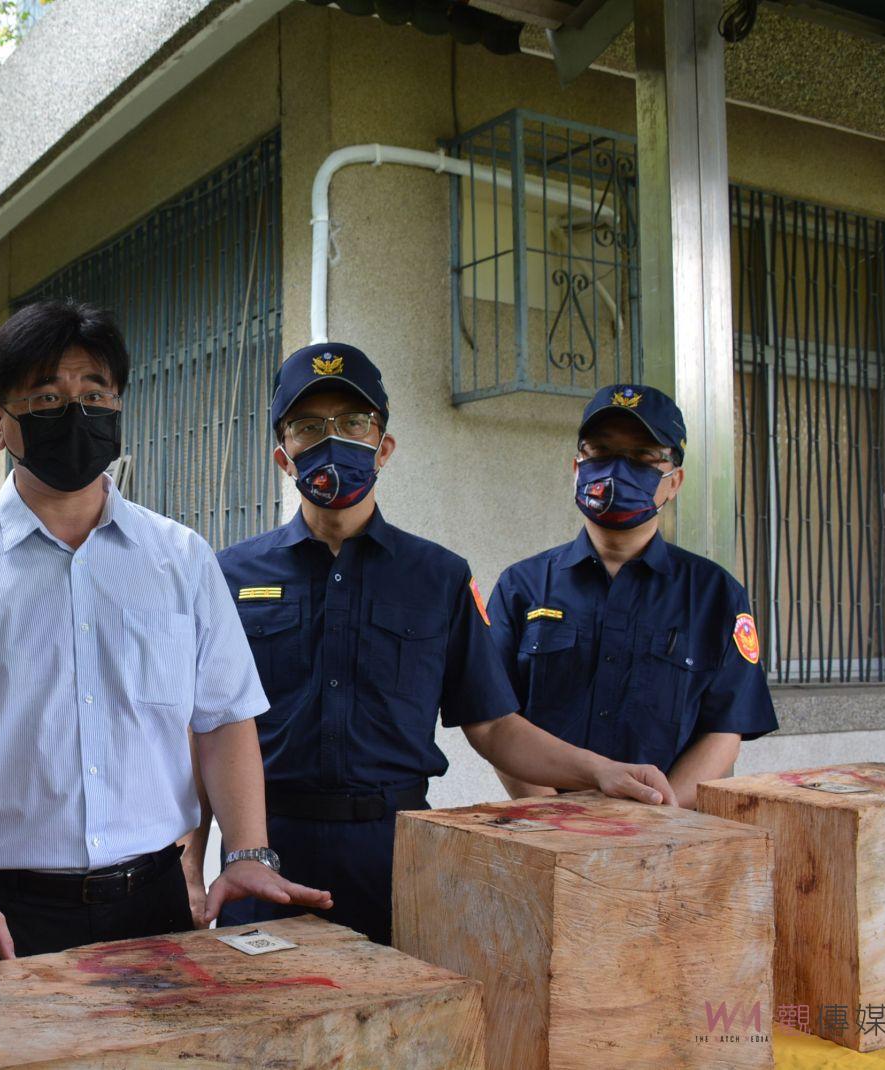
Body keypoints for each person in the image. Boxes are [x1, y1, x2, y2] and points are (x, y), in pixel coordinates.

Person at [0, 301, 331, 972]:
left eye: (94, 395)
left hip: (152, 901)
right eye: (48, 399)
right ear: (1, 422)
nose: (76, 413)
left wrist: (247, 851)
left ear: (117, 407)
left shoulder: (181, 558)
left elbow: (223, 718)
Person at [214, 342, 679, 944]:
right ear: (284, 456)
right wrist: (188, 864)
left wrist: (599, 771)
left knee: (408, 1025)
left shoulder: (438, 576)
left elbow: (493, 726)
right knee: (260, 1024)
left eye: (355, 422)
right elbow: (203, 731)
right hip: (265, 853)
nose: (334, 438)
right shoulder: (230, 575)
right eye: (308, 426)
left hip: (398, 853)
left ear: (384, 446)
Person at [487, 384, 778, 810]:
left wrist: (657, 820)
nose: (616, 471)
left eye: (642, 457)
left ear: (673, 481)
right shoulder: (522, 587)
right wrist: (551, 816)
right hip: (544, 830)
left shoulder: (715, 595)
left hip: (666, 836)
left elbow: (723, 731)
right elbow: (496, 719)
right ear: (577, 467)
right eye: (600, 452)